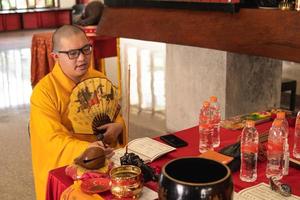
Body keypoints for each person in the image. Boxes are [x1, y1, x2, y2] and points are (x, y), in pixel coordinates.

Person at [30, 25, 127, 200]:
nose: (82, 58)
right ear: (55, 57)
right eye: (72, 53)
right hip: (71, 165)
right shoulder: (44, 93)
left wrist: (118, 126)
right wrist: (88, 150)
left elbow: (114, 113)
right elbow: (51, 141)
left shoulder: (99, 79)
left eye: (86, 49)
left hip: (106, 160)